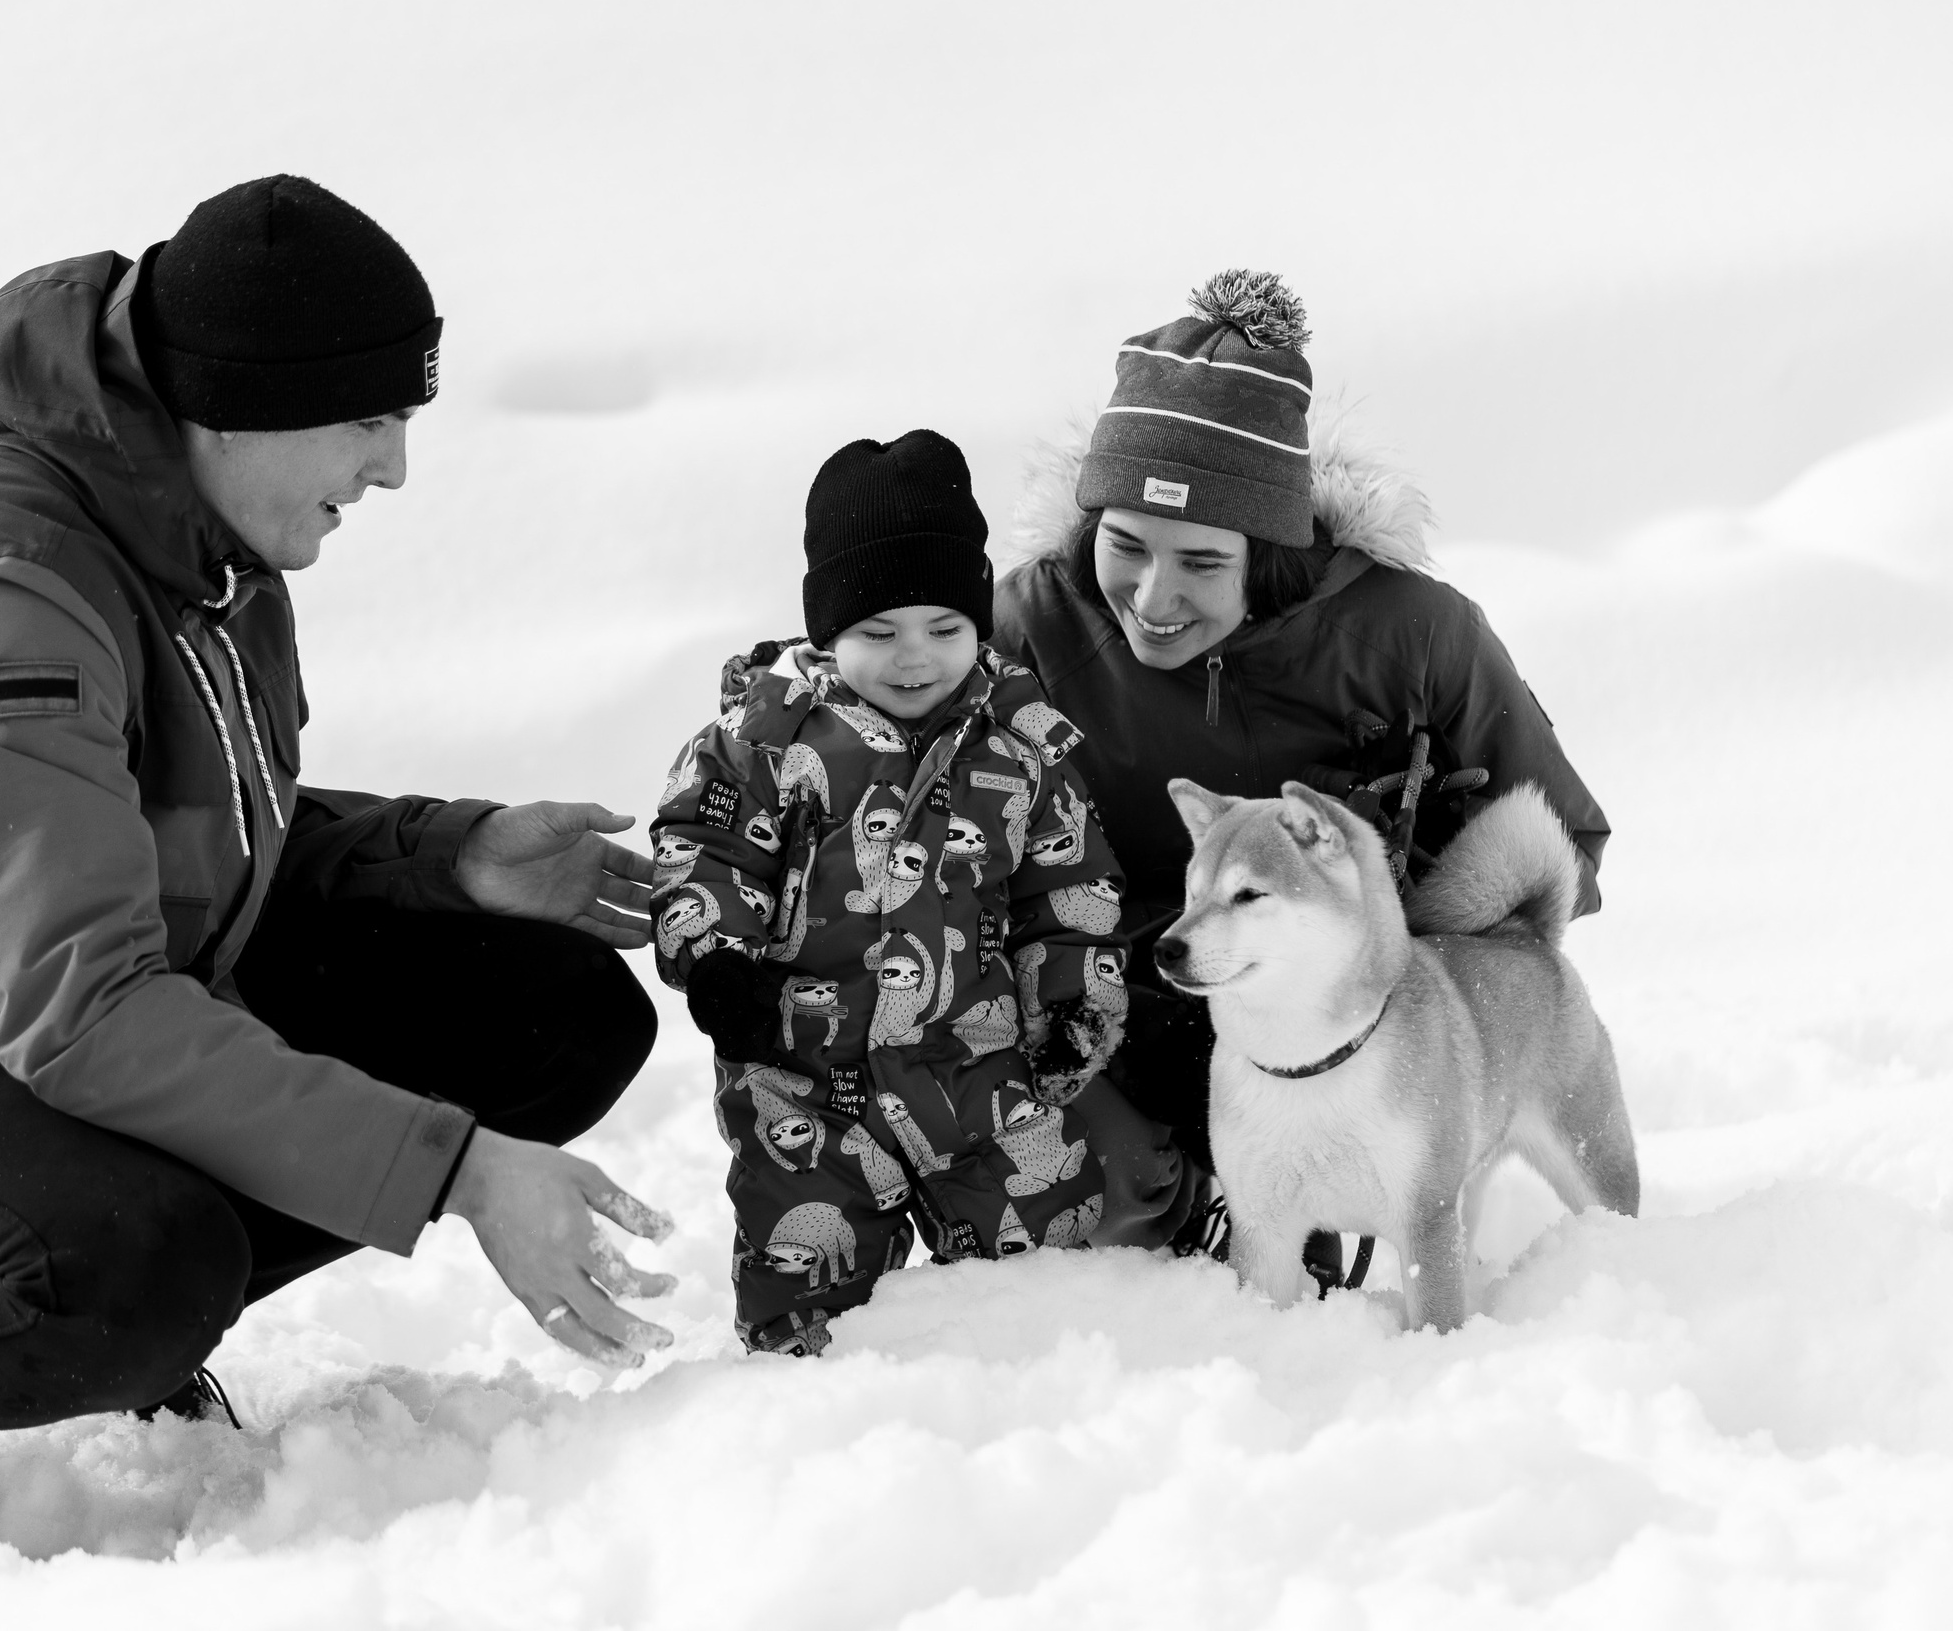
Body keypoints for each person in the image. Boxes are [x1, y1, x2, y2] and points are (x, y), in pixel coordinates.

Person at [0, 177, 674, 1522]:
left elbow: (197, 835)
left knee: (549, 1010)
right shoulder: (3, 591)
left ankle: (128, 1301)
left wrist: (455, 859)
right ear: (236, 408)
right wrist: (460, 1167)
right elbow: (84, 1012)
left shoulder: (201, 545)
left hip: (67, 999)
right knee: (142, 1265)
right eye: (368, 421)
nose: (390, 470)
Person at [993, 271, 1611, 1277]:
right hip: (1109, 1009)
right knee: (1089, 1225)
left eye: (1200, 562)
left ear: (1269, 548)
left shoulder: (1409, 633)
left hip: (1336, 1036)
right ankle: (1177, 1201)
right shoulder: (1028, 623)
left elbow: (1561, 847)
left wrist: (1384, 946)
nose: (1151, 597)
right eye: (1126, 546)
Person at [649, 430, 1206, 1357]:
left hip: (976, 1066)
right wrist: (715, 963)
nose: (916, 657)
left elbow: (1068, 885)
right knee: (806, 1289)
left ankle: (1024, 1398)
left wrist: (1074, 1002)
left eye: (946, 629)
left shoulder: (1021, 743)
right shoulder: (764, 742)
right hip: (805, 1084)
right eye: (879, 632)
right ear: (828, 629)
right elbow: (700, 854)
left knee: (1046, 1261)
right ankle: (811, 1414)